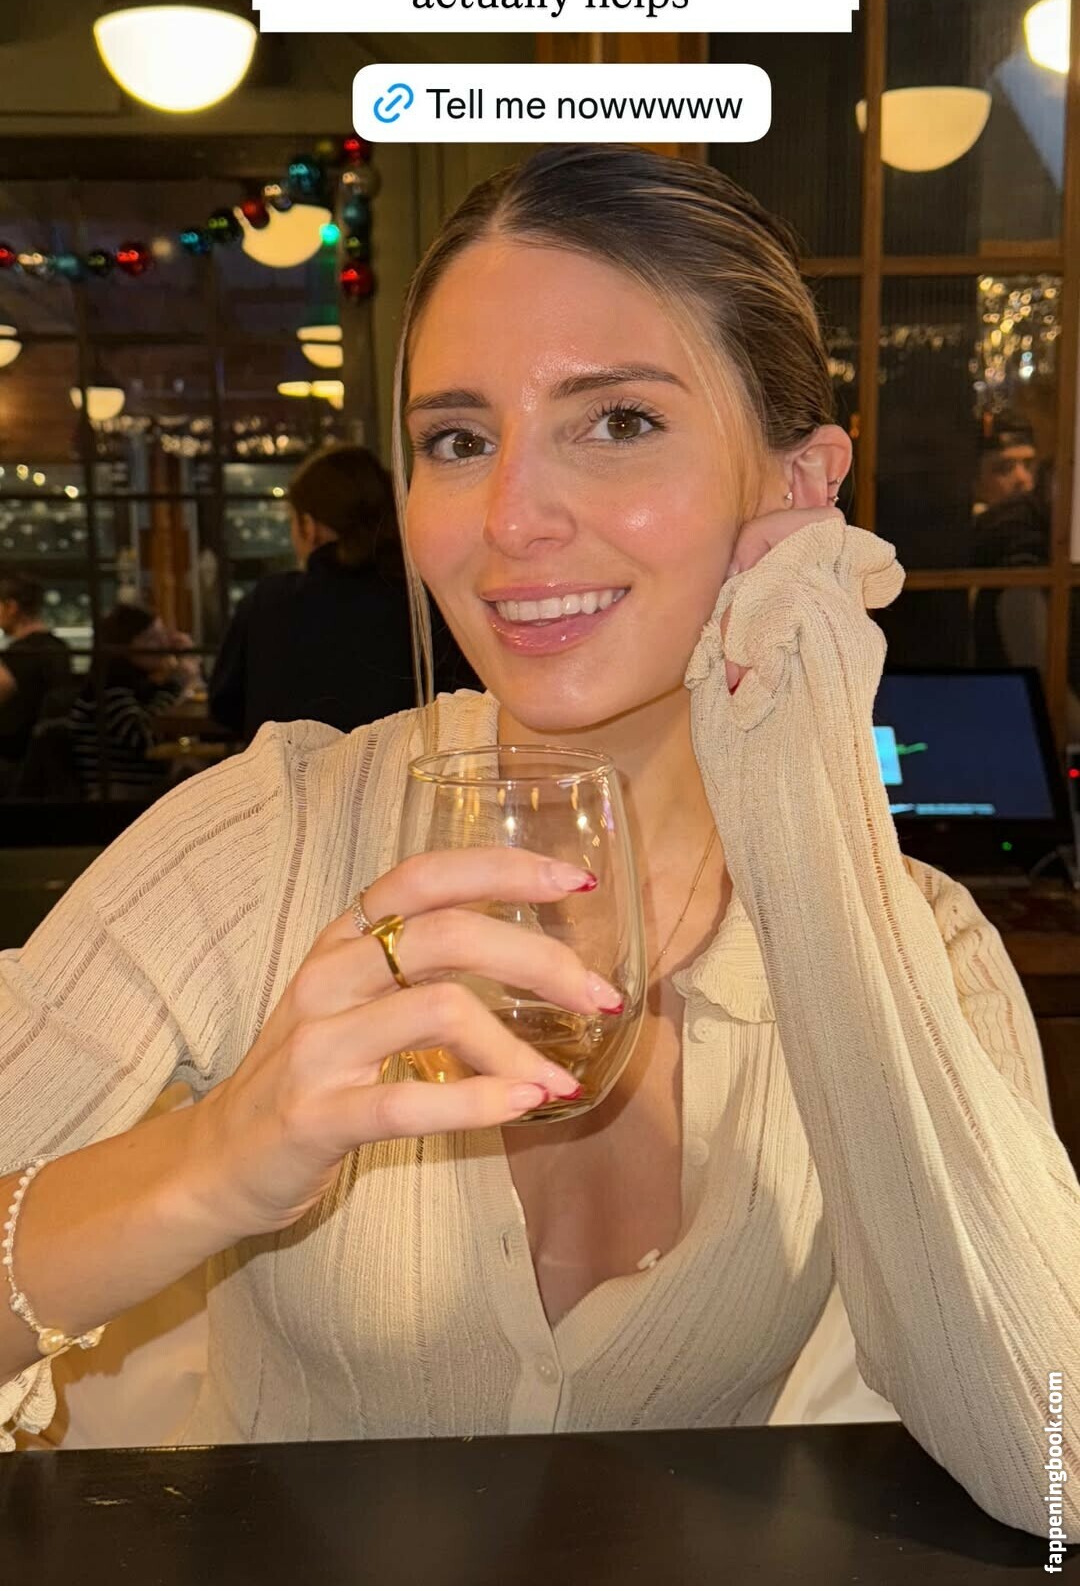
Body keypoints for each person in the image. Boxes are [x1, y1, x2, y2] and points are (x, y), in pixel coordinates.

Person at [0, 147, 1076, 1543]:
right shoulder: (273, 833)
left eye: (618, 420)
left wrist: (810, 806)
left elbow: (1054, 1469)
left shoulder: (923, 942)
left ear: (800, 482)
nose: (509, 517)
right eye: (458, 438)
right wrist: (217, 1154)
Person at [208, 442, 478, 740]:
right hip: (408, 769)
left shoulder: (267, 601)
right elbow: (468, 704)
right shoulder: (425, 600)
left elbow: (224, 705)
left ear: (309, 527)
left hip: (287, 769)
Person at [65, 602, 199, 801]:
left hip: (143, 793)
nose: (163, 644)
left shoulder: (138, 686)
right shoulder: (107, 689)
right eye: (151, 638)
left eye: (163, 635)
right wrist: (176, 684)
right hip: (120, 799)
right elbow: (146, 739)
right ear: (123, 646)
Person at [0, 574, 72, 783]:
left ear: (11, 607)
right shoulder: (60, 647)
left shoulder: (18, 654)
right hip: (51, 761)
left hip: (14, 761)